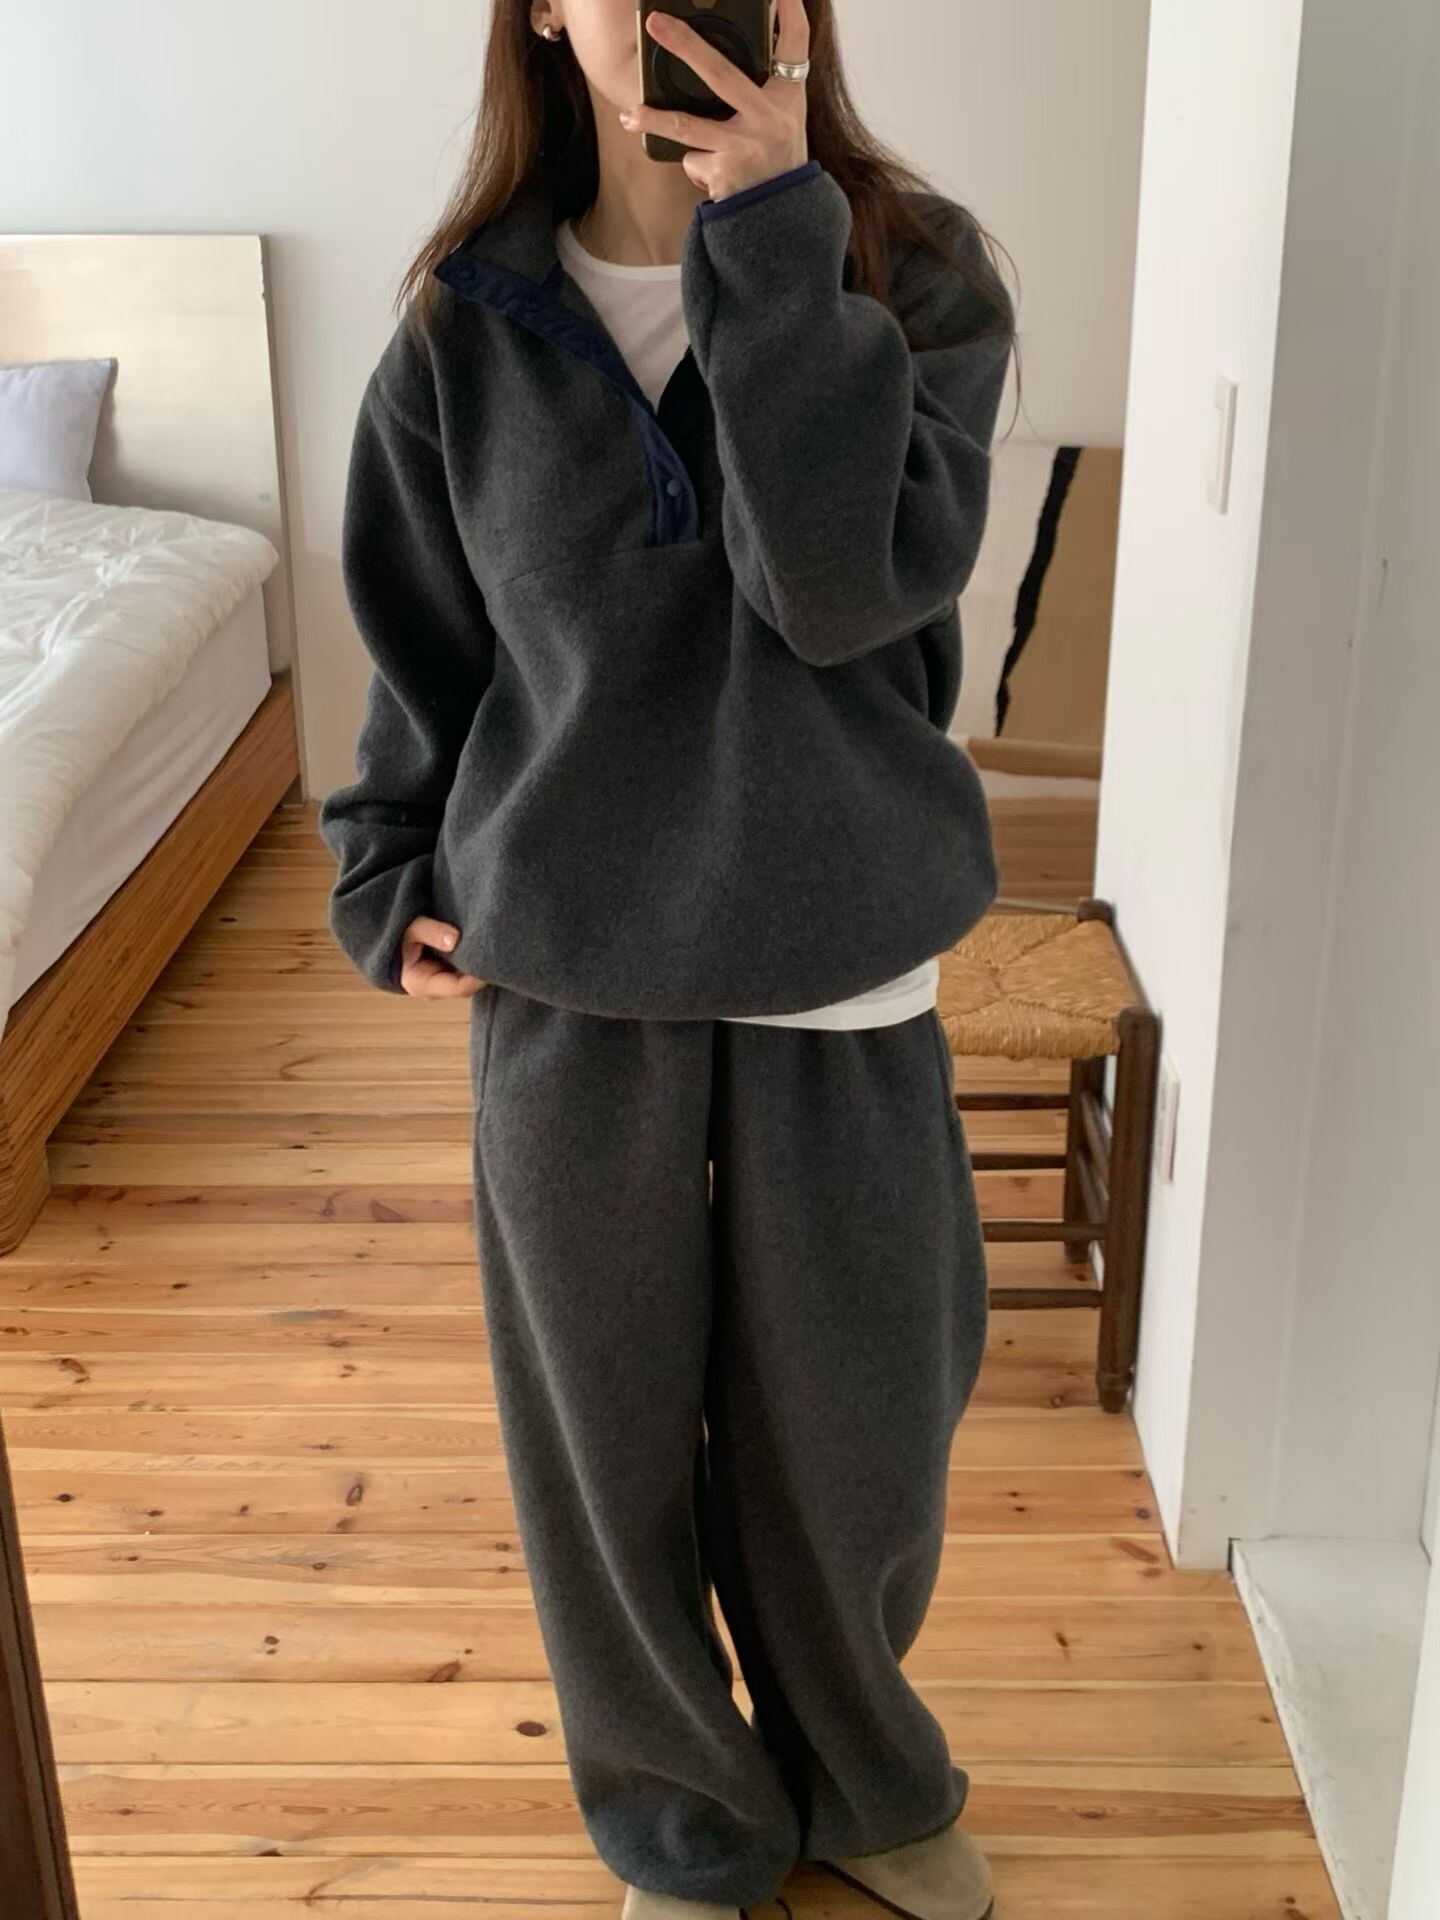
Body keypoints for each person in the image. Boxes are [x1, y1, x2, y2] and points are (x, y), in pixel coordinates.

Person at [319, 2, 1018, 1915]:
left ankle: (864, 1782)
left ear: (789, 15)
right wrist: (385, 861)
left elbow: (841, 593)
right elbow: (427, 644)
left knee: (861, 1433)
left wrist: (774, 234)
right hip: (569, 967)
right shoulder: (463, 325)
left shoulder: (912, 275)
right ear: (548, 8)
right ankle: (688, 1822)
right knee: (602, 1444)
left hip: (840, 955)